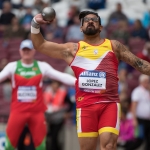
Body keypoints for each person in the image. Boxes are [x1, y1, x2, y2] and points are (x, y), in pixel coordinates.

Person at [31, 10, 150, 150]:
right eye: (86, 20)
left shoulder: (114, 46)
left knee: (109, 145)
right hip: (85, 107)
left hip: (109, 104)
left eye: (94, 19)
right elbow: (41, 46)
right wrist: (35, 24)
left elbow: (140, 64)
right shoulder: (72, 50)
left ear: (101, 27)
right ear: (81, 28)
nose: (90, 21)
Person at [0, 39, 76, 150]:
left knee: (41, 145)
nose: (26, 52)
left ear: (33, 51)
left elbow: (61, 76)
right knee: (9, 145)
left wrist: (79, 82)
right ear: (20, 51)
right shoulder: (13, 66)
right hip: (17, 112)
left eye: (29, 50)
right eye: (24, 50)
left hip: (36, 113)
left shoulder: (41, 66)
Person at [131, 74, 150, 150]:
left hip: (148, 120)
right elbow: (133, 106)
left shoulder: (147, 91)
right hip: (140, 120)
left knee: (148, 140)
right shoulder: (137, 91)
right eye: (146, 81)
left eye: (148, 81)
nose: (147, 83)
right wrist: (134, 119)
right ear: (141, 82)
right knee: (139, 139)